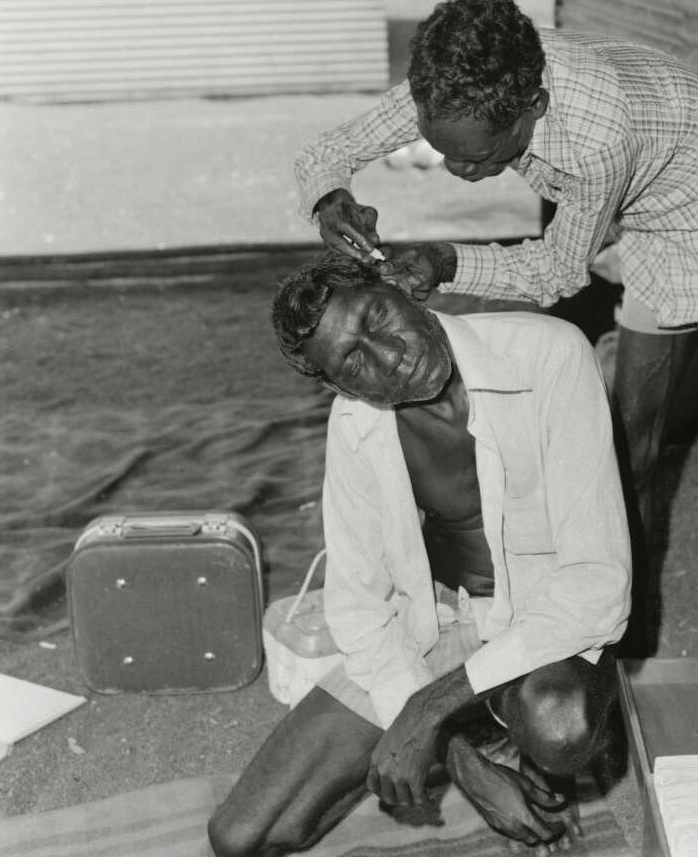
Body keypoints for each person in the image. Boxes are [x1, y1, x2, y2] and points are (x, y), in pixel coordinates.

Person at [292, 0, 698, 798]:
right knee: (625, 458)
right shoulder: (459, 79)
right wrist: (330, 200)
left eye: (475, 156)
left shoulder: (597, 133)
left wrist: (450, 261)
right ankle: (598, 675)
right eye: (440, 150)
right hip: (653, 231)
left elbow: (556, 275)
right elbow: (326, 152)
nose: (457, 171)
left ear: (532, 106)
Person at [207, 250, 632, 857]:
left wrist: (427, 707)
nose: (390, 355)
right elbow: (357, 604)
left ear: (403, 289)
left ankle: (517, 732)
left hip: (542, 621)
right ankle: (477, 733)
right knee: (240, 838)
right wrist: (452, 755)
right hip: (432, 627)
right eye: (354, 360)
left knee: (560, 727)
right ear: (336, 385)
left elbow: (597, 584)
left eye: (378, 317)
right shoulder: (353, 426)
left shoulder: (549, 355)